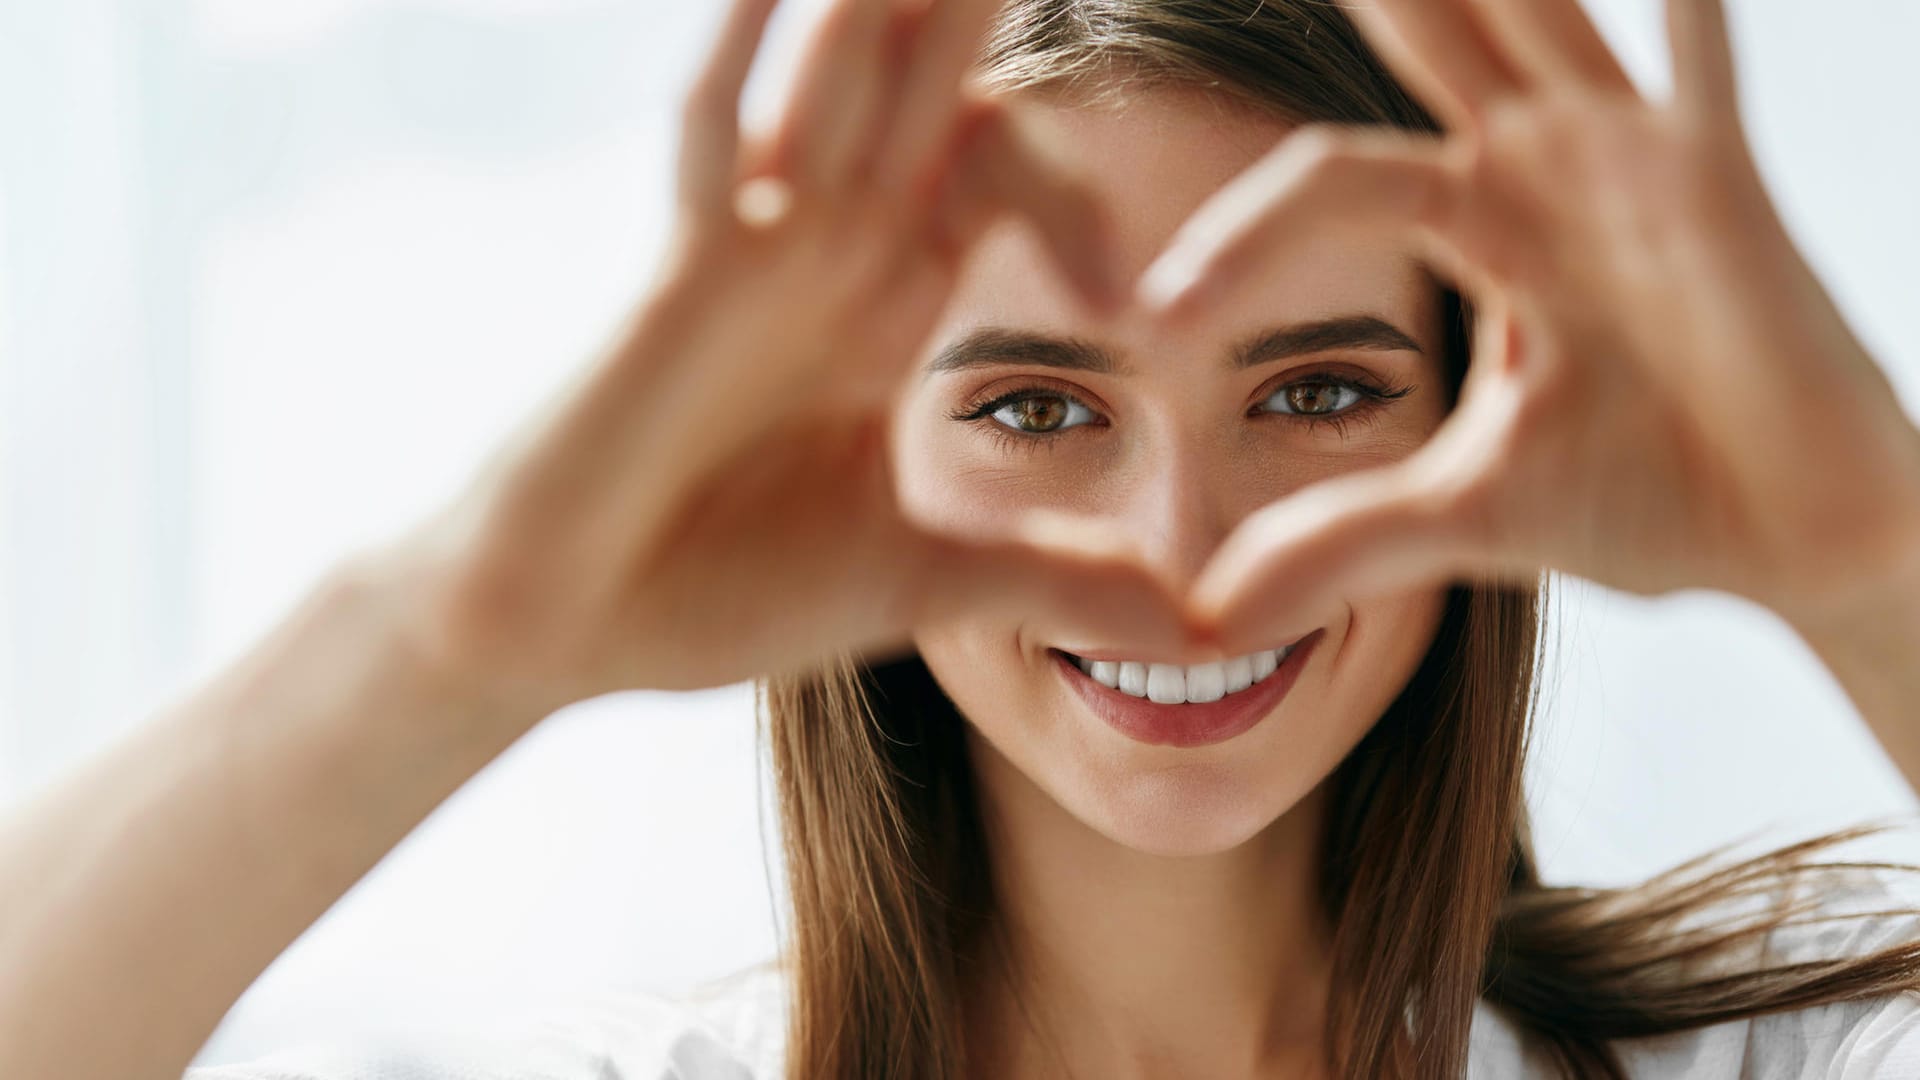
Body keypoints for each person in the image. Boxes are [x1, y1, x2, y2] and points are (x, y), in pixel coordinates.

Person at [4, 0, 1920, 1076]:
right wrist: (452, 643)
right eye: (1035, 407)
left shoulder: (1793, 1054)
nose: (1182, 543)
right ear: (869, 450)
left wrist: (1877, 564)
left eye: (1320, 391)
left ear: (1477, 412)